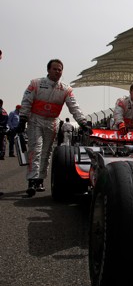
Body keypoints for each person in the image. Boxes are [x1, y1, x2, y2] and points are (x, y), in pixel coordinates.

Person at [15, 58, 92, 197]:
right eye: (55, 69)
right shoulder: (35, 83)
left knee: (47, 151)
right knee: (35, 148)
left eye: (60, 69)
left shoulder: (66, 89)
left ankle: (40, 179)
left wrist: (83, 122)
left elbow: (74, 107)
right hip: (35, 120)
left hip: (52, 122)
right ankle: (31, 180)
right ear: (48, 70)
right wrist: (23, 119)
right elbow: (26, 101)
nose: (57, 71)